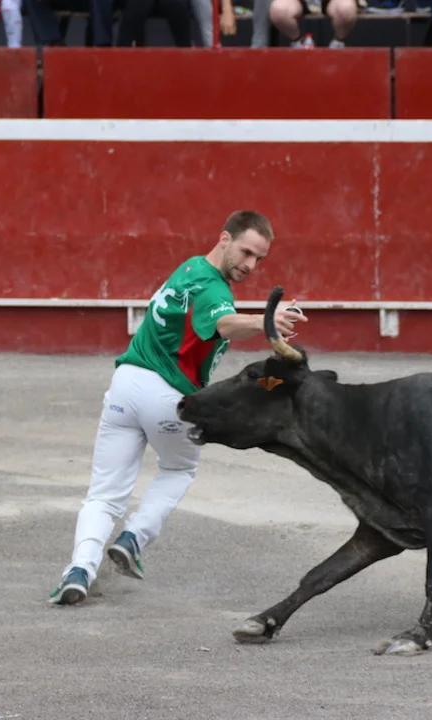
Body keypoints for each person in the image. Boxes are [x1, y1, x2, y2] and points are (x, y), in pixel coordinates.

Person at [49, 210, 306, 606]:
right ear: (225, 238)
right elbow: (224, 324)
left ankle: (79, 570)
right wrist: (266, 321)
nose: (251, 265)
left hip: (124, 386)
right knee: (178, 469)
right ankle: (133, 538)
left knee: (103, 494)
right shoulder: (216, 290)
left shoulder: (190, 267)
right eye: (246, 252)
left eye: (259, 258)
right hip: (168, 396)